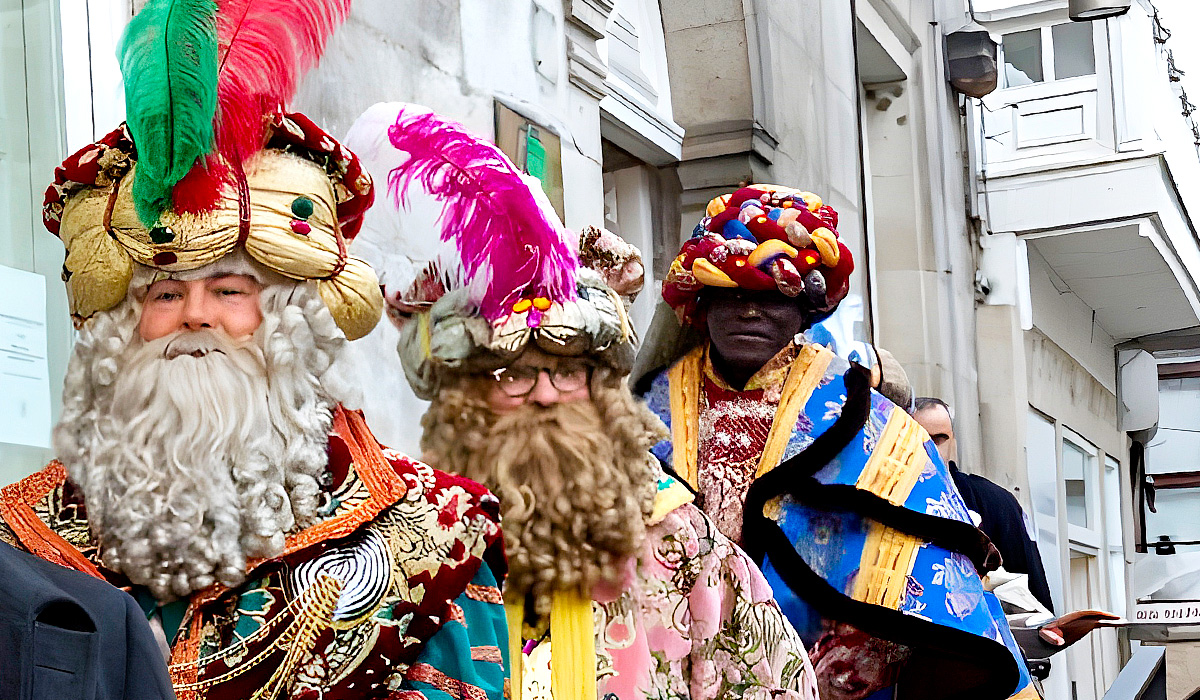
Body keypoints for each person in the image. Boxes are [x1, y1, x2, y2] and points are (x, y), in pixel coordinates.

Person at [0, 5, 507, 698]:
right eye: (164, 295)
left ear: (291, 320)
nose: (196, 316)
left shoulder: (432, 539)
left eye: (231, 289)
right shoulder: (19, 536)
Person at [352, 105, 818, 699]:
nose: (546, 395)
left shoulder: (682, 543)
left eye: (569, 371)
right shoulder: (417, 550)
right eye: (512, 374)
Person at [634, 184, 1039, 700]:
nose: (750, 312)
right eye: (731, 295)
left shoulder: (879, 425)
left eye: (771, 296)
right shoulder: (641, 413)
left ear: (806, 310)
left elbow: (932, 593)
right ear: (700, 305)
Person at [912, 397, 1055, 613]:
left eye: (939, 439)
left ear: (954, 442)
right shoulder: (874, 502)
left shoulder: (995, 503)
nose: (929, 449)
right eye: (918, 439)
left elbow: (1035, 601)